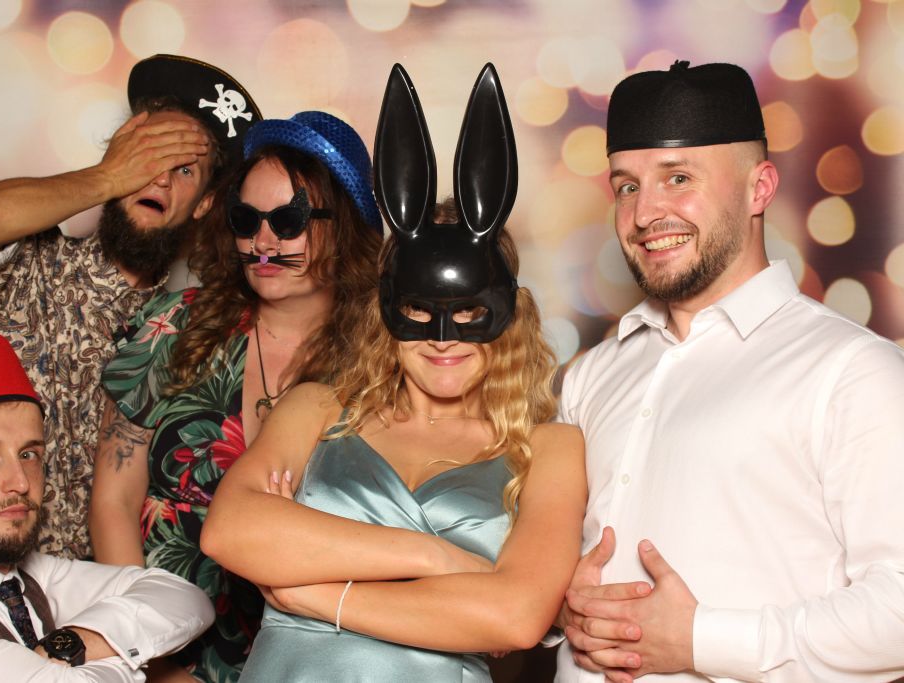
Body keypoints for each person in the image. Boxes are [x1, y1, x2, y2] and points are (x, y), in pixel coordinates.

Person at [200, 63, 586, 682]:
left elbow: (516, 617)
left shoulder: (549, 450)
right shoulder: (317, 409)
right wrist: (437, 559)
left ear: (508, 315)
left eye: (468, 314)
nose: (442, 339)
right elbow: (230, 531)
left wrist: (315, 592)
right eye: (418, 313)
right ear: (387, 311)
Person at [556, 61, 904, 682]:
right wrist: (561, 607)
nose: (645, 214)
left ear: (759, 188)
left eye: (678, 178)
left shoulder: (852, 372)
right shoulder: (592, 376)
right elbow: (551, 567)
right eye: (627, 186)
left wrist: (700, 641)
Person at [89, 110, 385, 681]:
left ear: (345, 225)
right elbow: (113, 503)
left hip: (316, 656)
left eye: (290, 220)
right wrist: (148, 661)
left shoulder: (383, 361)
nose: (263, 242)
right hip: (155, 645)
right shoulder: (175, 327)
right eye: (246, 219)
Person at [0, 54, 261, 560]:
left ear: (203, 204)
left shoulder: (191, 326)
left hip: (110, 581)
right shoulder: (34, 263)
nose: (160, 180)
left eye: (183, 170)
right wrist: (110, 176)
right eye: (148, 158)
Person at [0, 331, 214, 682]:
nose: (20, 482)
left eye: (29, 454)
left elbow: (185, 598)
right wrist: (125, 651)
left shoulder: (26, 576)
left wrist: (76, 643)